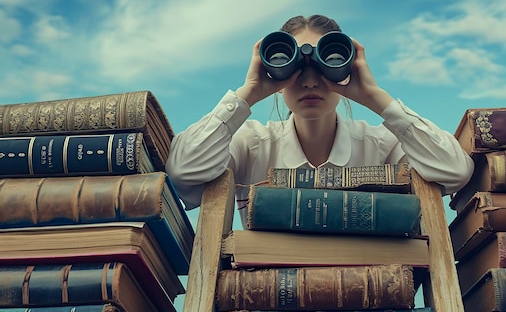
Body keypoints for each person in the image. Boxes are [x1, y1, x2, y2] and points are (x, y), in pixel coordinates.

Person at [165, 14, 474, 226]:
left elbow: (455, 171)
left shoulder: (381, 145)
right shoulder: (250, 144)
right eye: (295, 66)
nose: (310, 82)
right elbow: (184, 173)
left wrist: (375, 97)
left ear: (350, 68)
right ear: (272, 70)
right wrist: (247, 94)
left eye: (327, 66)